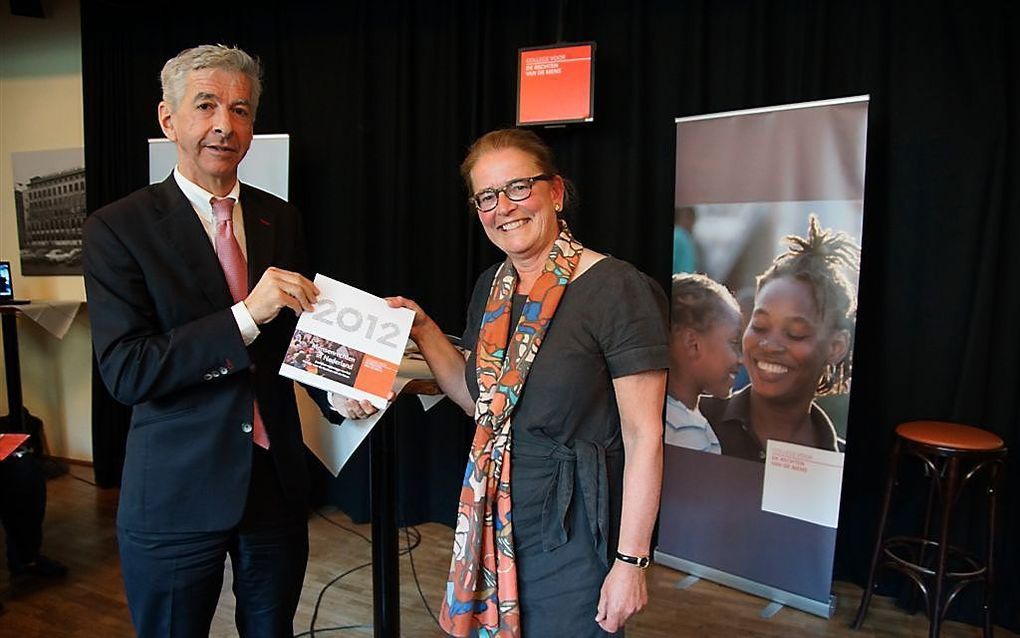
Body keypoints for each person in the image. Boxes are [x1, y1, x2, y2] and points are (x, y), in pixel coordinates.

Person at [83, 44, 365, 637]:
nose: (223, 125)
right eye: (206, 105)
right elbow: (128, 371)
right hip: (176, 492)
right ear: (169, 120)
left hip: (274, 482)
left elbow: (295, 339)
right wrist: (245, 314)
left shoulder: (278, 217)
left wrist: (342, 387)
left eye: (240, 110)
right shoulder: (118, 227)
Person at [388, 129, 668, 636]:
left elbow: (644, 436)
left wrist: (631, 563)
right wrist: (425, 329)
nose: (504, 208)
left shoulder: (617, 288)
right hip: (495, 518)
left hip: (572, 527)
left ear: (556, 192)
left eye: (519, 187)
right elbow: (481, 404)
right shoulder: (492, 288)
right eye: (487, 197)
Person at [700, 216, 859, 462]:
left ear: (836, 346)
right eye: (760, 326)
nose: (770, 345)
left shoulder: (841, 462)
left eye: (795, 333)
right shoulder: (693, 422)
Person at [663, 273, 742, 453]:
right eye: (734, 342)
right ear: (693, 344)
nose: (741, 359)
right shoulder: (686, 433)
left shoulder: (673, 419)